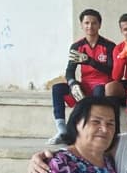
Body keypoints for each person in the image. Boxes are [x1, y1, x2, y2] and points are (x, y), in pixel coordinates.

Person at [48, 9, 115, 145]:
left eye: (94, 23)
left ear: (99, 25)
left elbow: (111, 70)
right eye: (87, 23)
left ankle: (90, 131)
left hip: (102, 84)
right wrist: (73, 84)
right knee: (58, 88)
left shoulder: (109, 46)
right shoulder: (77, 46)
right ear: (81, 25)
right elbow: (69, 71)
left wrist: (89, 61)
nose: (90, 26)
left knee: (99, 91)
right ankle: (62, 130)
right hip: (84, 86)